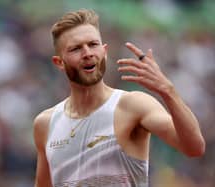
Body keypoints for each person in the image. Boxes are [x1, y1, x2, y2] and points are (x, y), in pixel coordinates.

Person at [33, 9, 205, 187]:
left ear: (104, 51)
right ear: (59, 62)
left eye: (93, 45)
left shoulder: (133, 105)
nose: (87, 53)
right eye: (76, 49)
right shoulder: (46, 123)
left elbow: (194, 147)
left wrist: (168, 92)